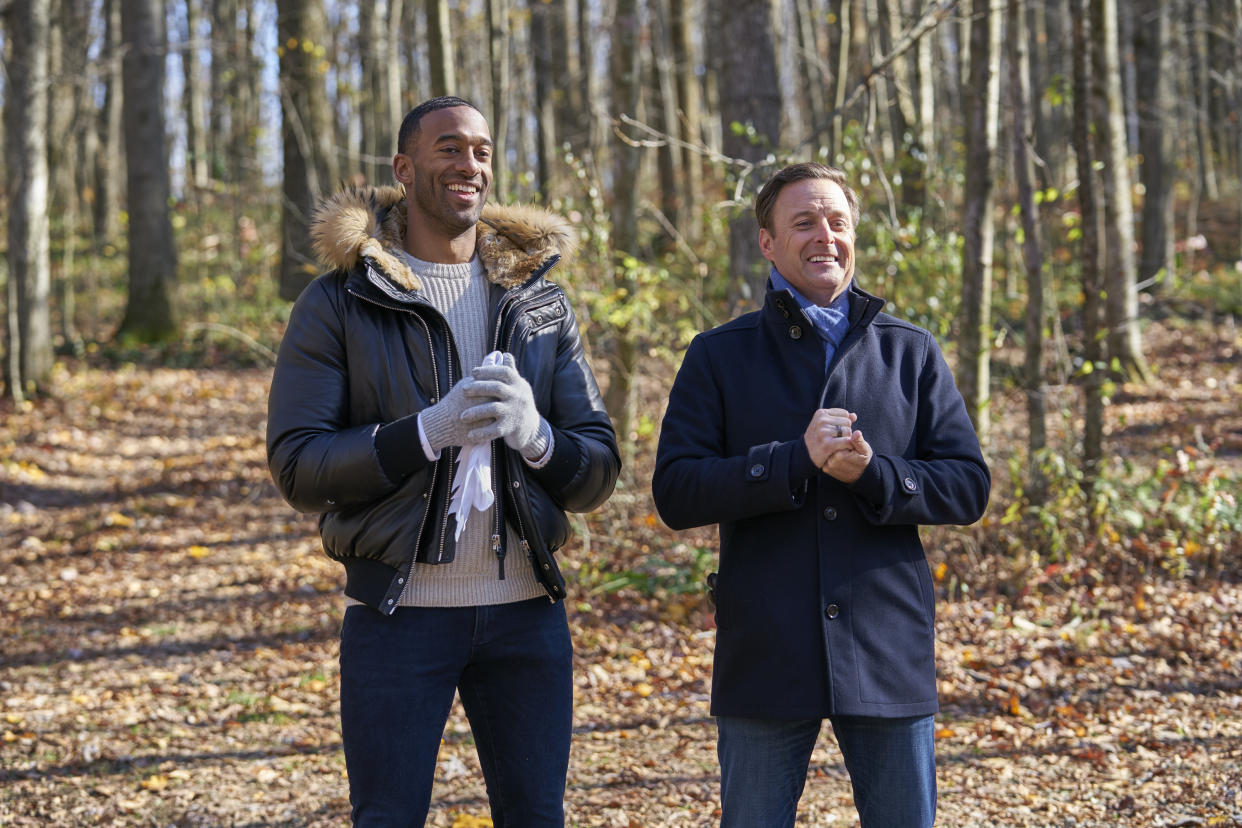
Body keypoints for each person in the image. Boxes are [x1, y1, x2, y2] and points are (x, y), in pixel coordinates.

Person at [267, 96, 620, 827]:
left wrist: (537, 438)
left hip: (526, 615)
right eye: (450, 148)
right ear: (405, 167)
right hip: (398, 618)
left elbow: (598, 470)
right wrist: (424, 432)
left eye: (483, 151)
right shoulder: (338, 303)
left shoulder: (540, 304)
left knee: (536, 816)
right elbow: (298, 466)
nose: (471, 165)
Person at [651, 162, 990, 827]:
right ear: (768, 243)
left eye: (837, 221)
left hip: (887, 646)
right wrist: (790, 463)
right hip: (765, 651)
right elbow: (677, 490)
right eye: (803, 222)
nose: (824, 236)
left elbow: (968, 485)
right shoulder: (719, 356)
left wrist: (875, 476)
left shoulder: (912, 352)